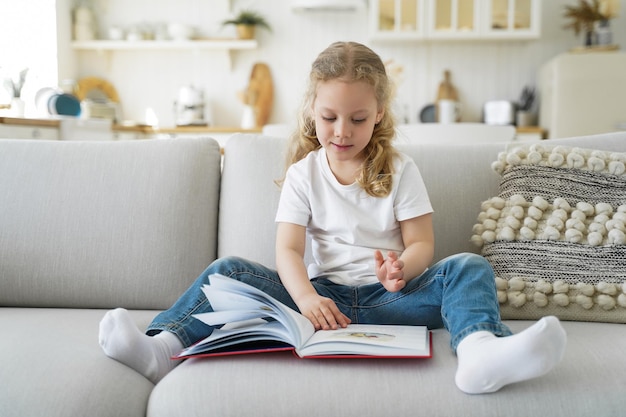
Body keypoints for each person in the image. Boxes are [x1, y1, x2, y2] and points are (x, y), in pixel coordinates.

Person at [99, 41, 566, 394]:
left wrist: (404, 267)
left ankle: (479, 352)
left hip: (392, 301)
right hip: (320, 300)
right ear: (312, 112)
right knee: (228, 271)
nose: (342, 132)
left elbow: (423, 241)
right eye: (330, 118)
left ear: (379, 113)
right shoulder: (303, 174)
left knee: (468, 266)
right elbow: (287, 250)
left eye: (358, 119)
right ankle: (161, 348)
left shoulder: (399, 169)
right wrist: (304, 297)